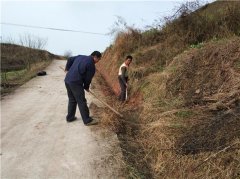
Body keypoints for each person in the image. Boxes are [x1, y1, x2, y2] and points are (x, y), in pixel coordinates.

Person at [64, 51, 102, 125]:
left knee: (72, 99)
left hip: (67, 80)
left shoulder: (80, 56)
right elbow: (88, 79)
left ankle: (70, 117)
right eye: (99, 59)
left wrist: (67, 69)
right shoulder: (91, 65)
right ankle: (87, 120)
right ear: (95, 57)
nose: (98, 61)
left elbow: (70, 59)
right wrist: (86, 87)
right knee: (81, 101)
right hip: (76, 83)